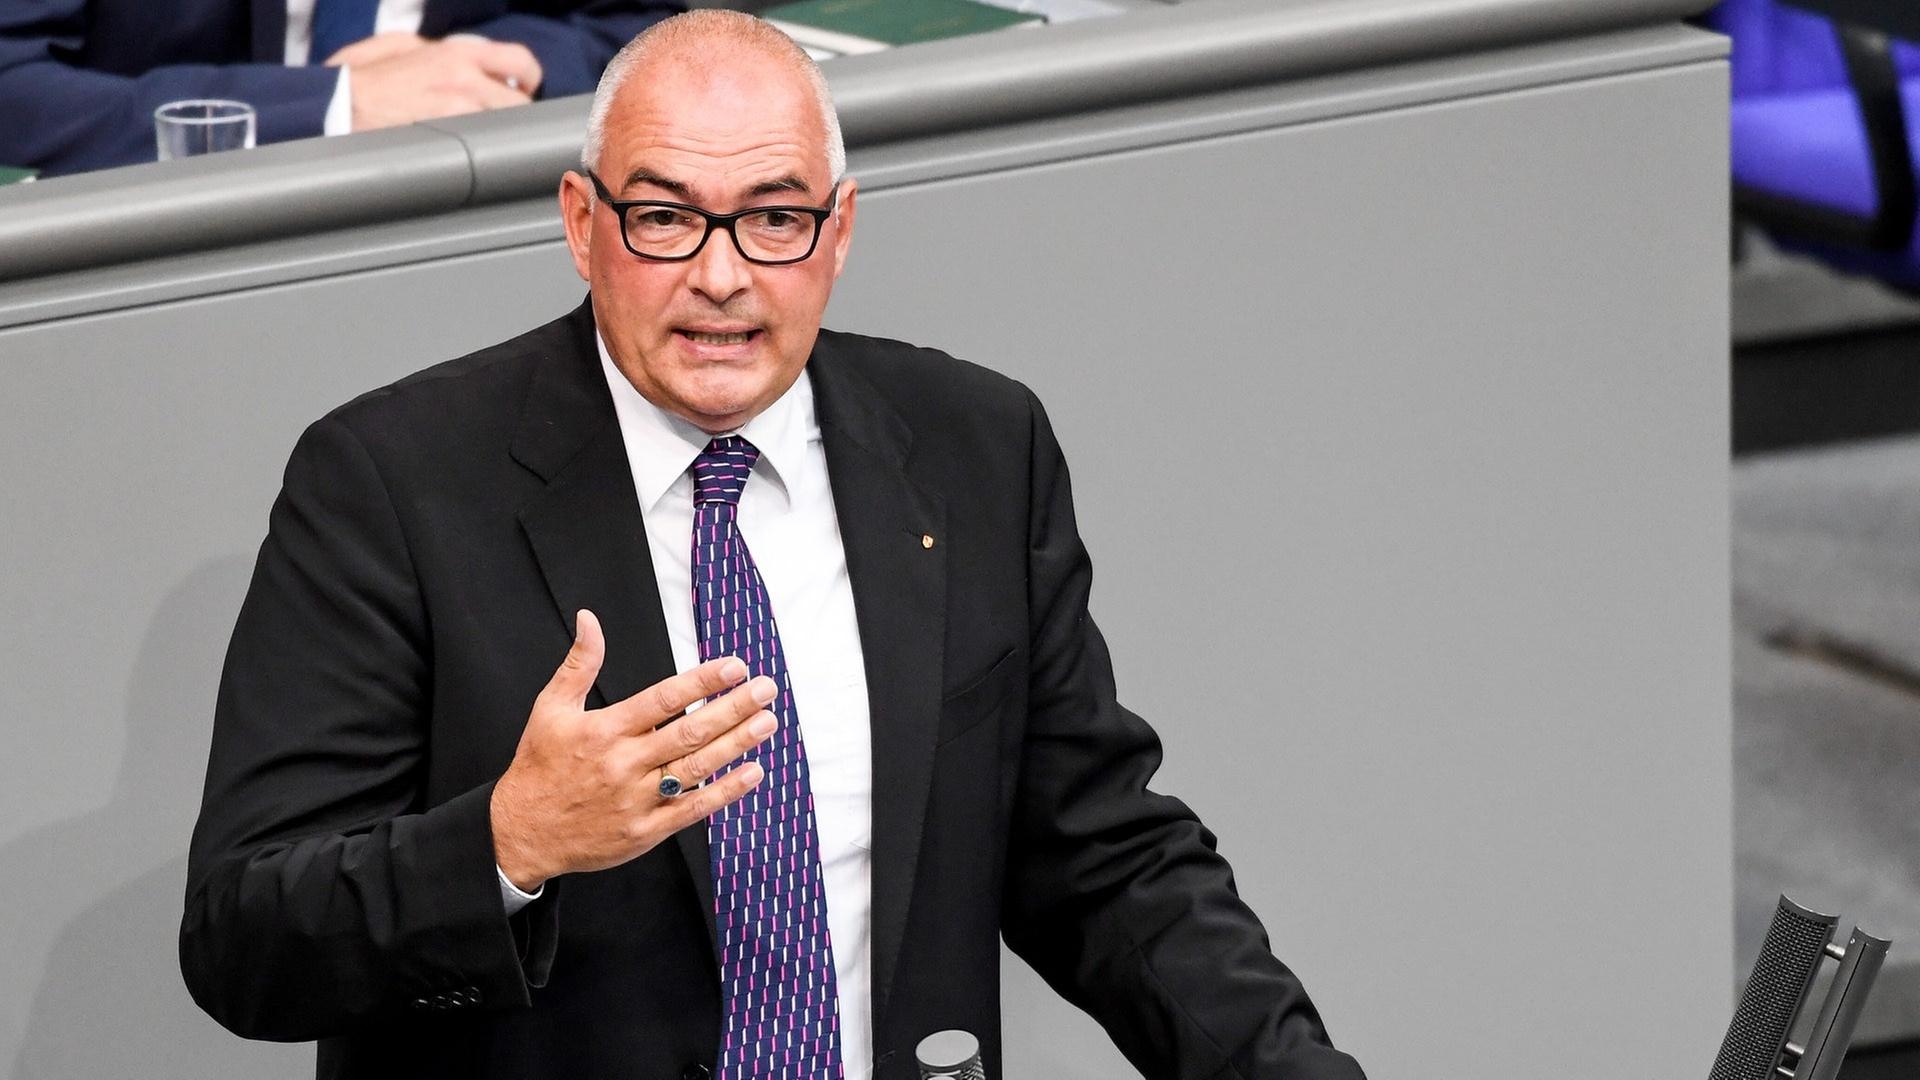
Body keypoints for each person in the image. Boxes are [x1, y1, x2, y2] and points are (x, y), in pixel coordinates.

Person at [179, 10, 1368, 1079]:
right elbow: (243, 939)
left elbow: (1103, 860)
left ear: (838, 231)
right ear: (582, 225)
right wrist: (508, 841)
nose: (721, 276)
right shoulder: (391, 483)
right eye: (663, 218)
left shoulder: (972, 448)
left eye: (774, 220)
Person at [0, 0, 679, 177]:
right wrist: (337, 103)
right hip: (173, 242)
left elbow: (654, 24)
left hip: (480, 200)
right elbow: (13, 86)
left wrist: (482, 62)